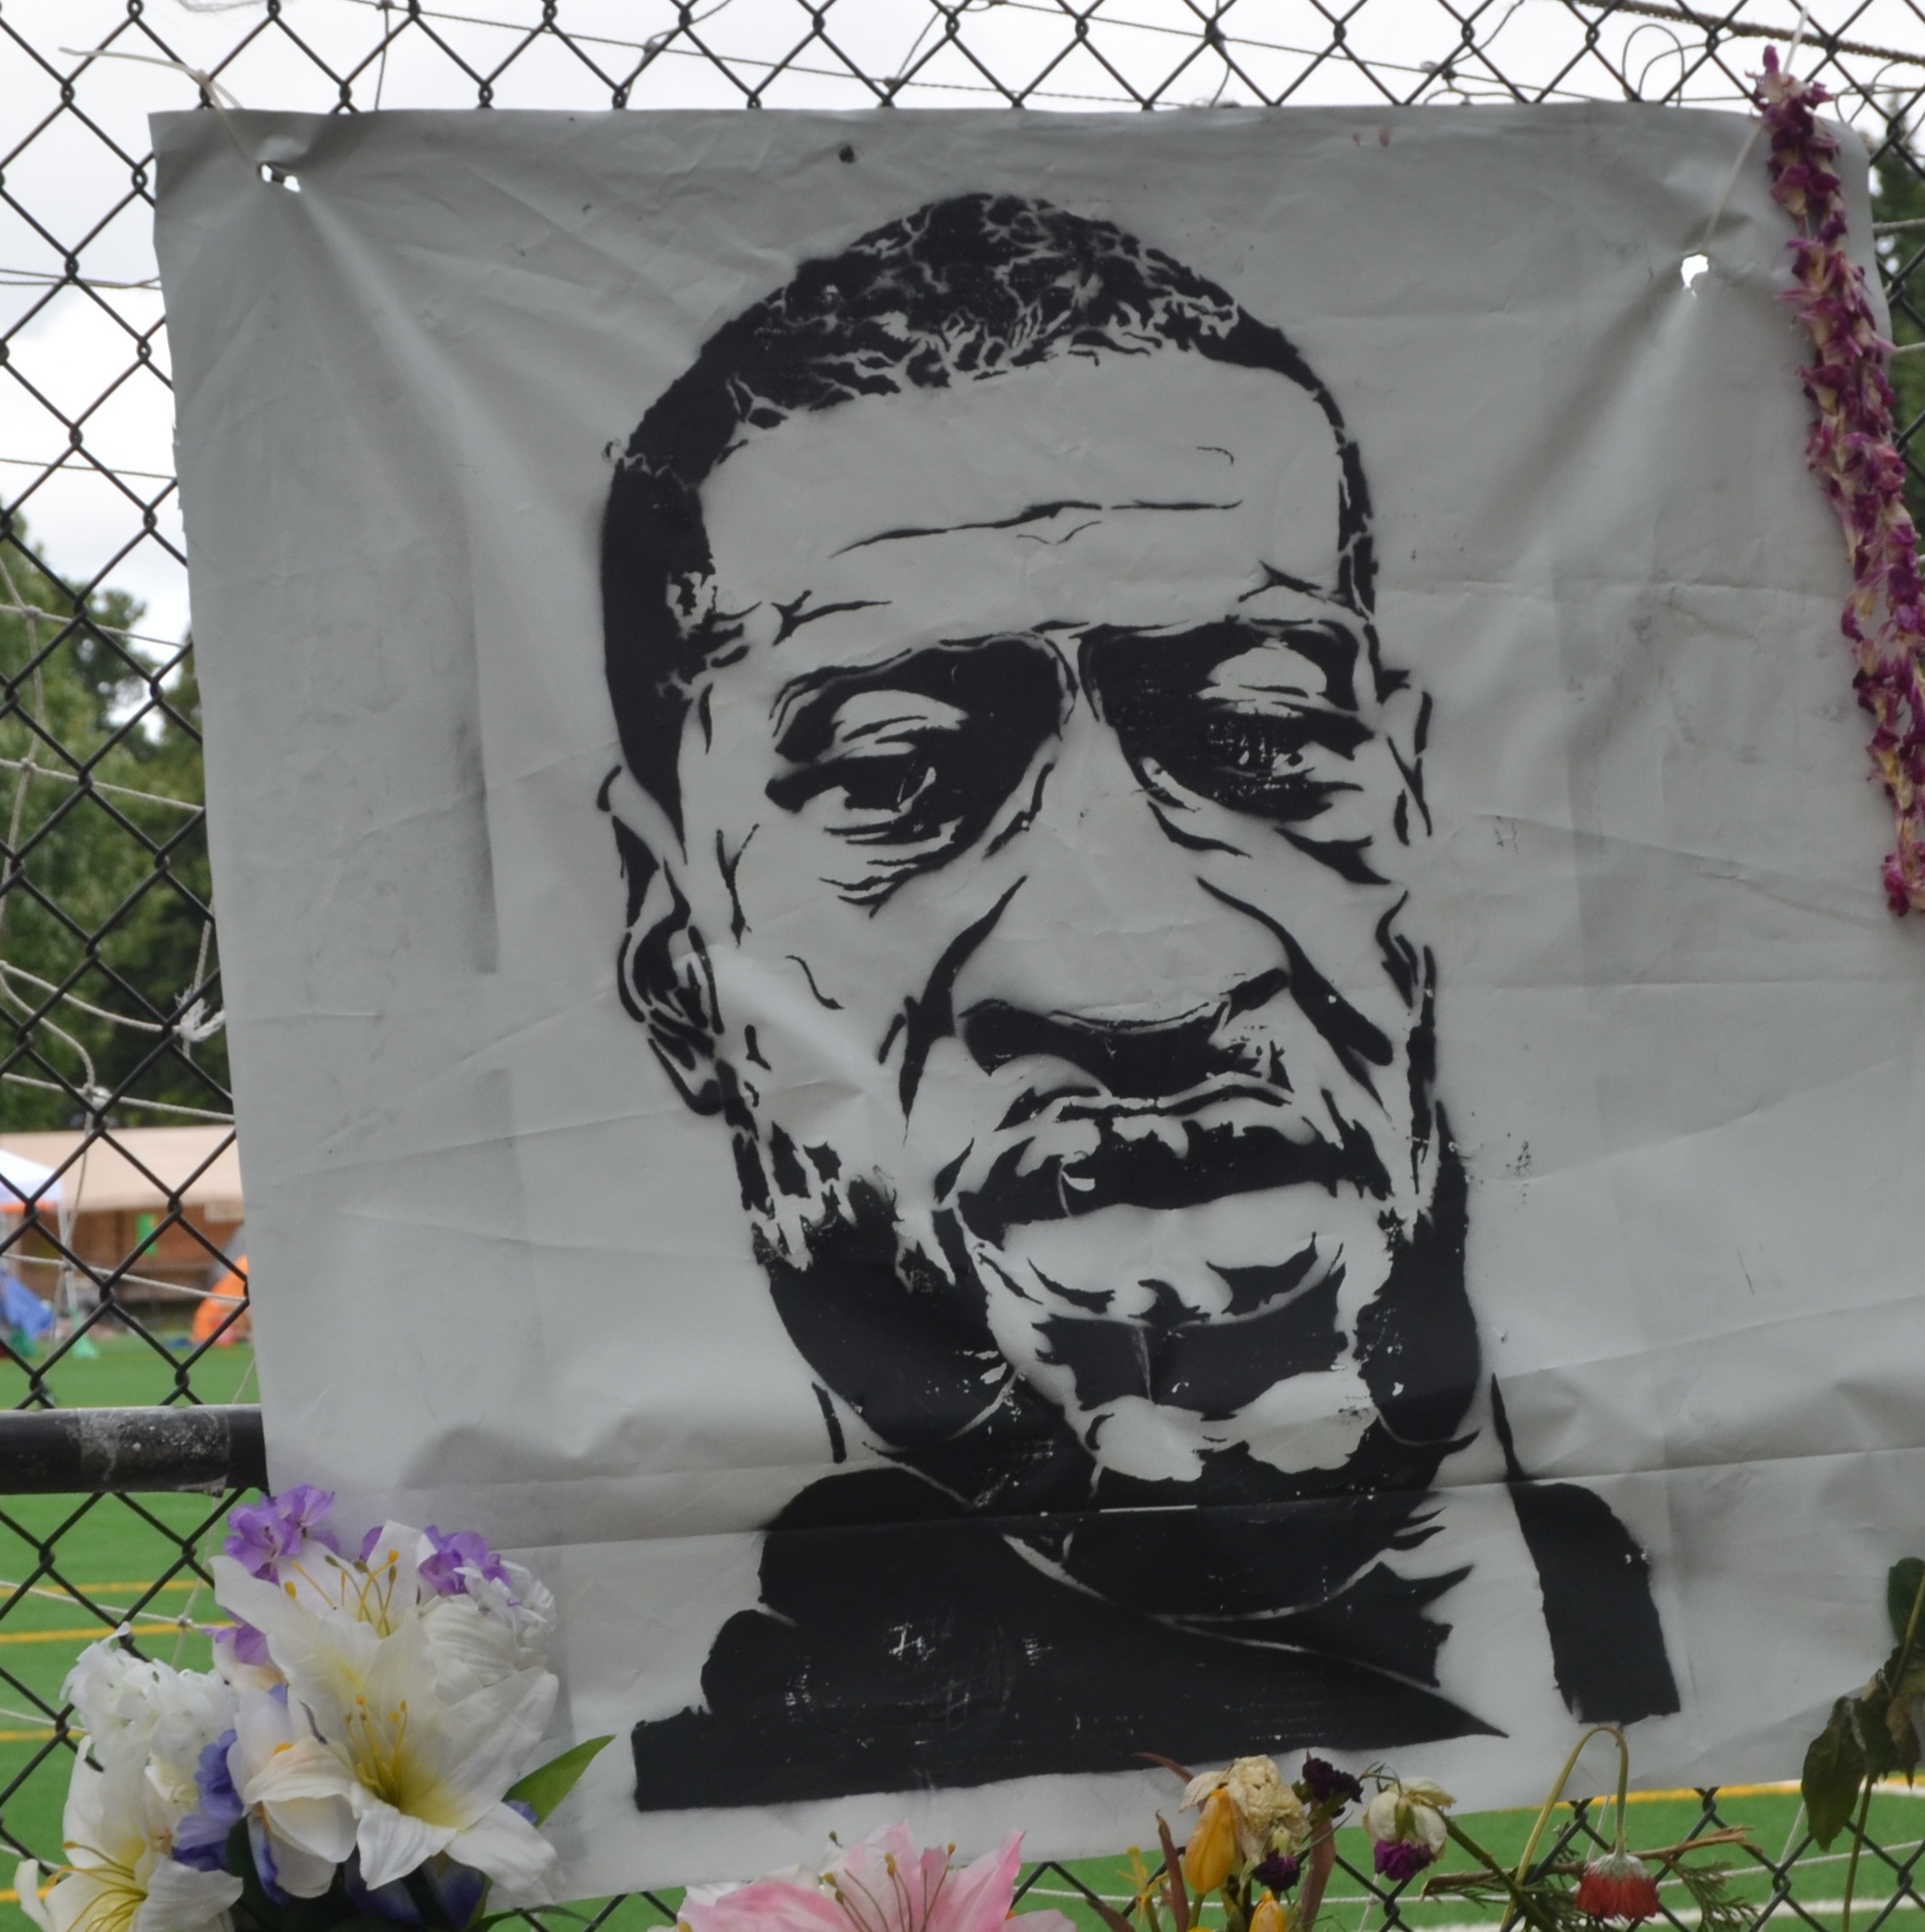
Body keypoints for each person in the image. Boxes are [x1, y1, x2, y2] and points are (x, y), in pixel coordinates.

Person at [595, 191, 1677, 1807]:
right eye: (895, 773)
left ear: (1410, 813)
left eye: (1258, 735)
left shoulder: (1672, 1598)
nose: (1137, 978)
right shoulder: (669, 1742)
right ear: (677, 960)